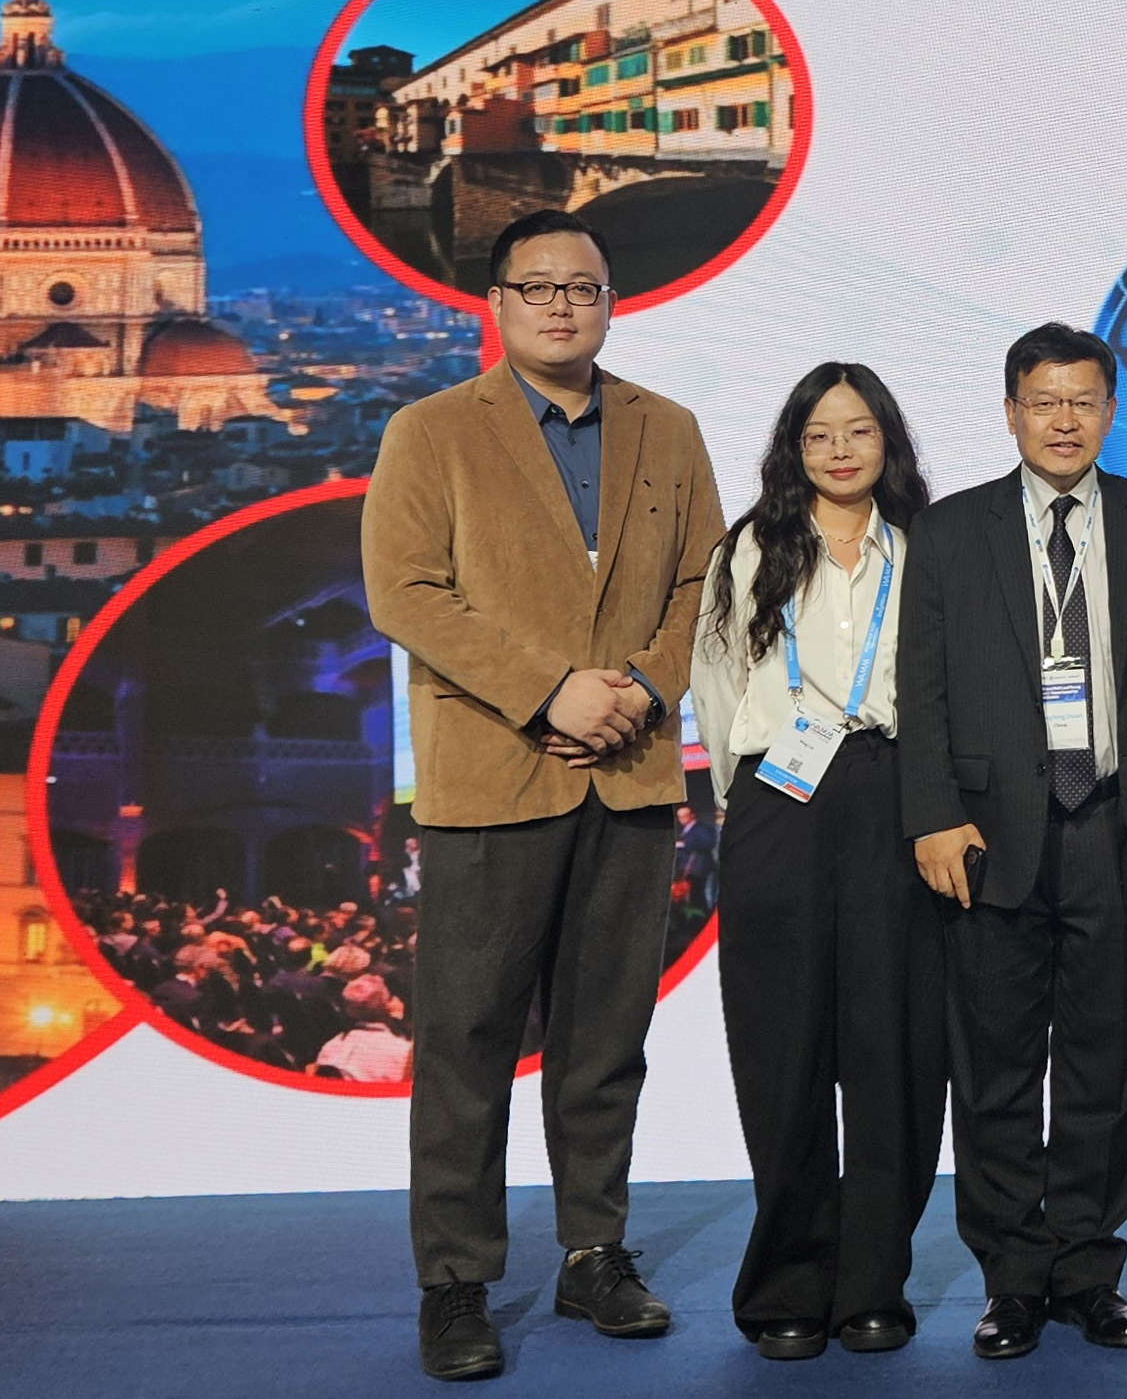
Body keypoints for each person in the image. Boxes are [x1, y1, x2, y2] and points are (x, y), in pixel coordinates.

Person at [360, 208, 723, 1383]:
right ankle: (455, 1281)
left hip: (629, 775)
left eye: (583, 287)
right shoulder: (430, 430)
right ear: (498, 303)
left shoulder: (668, 428)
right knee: (464, 1040)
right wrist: (549, 690)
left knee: (605, 1041)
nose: (562, 304)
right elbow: (404, 590)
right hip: (489, 777)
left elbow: (705, 582)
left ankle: (592, 1252)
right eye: (539, 286)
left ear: (611, 302)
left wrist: (643, 688)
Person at [897, 323, 1127, 1359]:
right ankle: (1011, 1279)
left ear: (1110, 412)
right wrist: (931, 812)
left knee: (1104, 1064)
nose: (1063, 420)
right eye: (1043, 401)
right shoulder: (949, 530)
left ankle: (1087, 1271)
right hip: (988, 835)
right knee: (992, 1069)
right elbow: (920, 687)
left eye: (1082, 401)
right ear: (1009, 412)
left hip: (1114, 824)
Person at [686, 362, 944, 1360]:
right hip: (777, 799)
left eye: (859, 430)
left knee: (894, 1048)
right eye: (819, 433)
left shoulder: (925, 548)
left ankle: (874, 1280)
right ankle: (787, 1282)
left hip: (894, 790)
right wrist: (742, 799)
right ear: (793, 446)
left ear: (889, 441)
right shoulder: (749, 548)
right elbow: (716, 684)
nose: (840, 450)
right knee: (781, 1044)